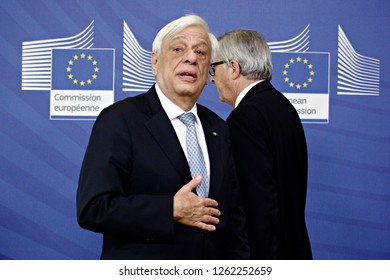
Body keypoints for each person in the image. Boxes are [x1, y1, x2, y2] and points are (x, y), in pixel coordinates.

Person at [76, 15, 249, 260]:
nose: (191, 58)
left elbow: (235, 219)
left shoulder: (219, 128)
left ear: (209, 71)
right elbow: (93, 208)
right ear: (155, 62)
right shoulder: (119, 120)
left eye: (201, 53)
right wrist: (169, 210)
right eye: (178, 49)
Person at [210, 29, 312, 259]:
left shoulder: (245, 119)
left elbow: (256, 204)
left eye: (214, 68)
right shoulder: (281, 106)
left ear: (234, 68)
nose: (211, 79)